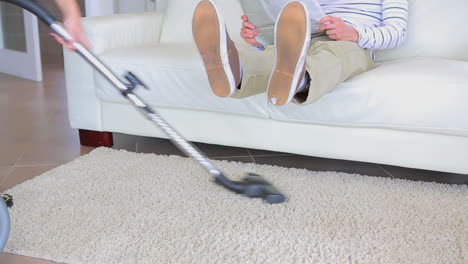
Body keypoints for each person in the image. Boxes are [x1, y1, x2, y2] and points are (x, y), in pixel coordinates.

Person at [192, 0, 409, 106]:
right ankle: (234, 68)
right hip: (302, 39)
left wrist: (354, 33)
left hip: (352, 44)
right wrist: (258, 37)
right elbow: (293, 20)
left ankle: (299, 78)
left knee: (334, 56)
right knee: (273, 53)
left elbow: (397, 32)